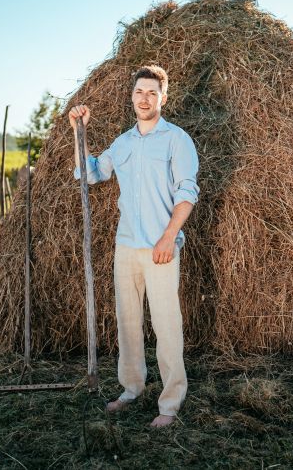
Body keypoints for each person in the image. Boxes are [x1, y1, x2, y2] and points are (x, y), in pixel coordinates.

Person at [70, 65, 200, 428]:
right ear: (132, 96)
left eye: (152, 93)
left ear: (163, 97)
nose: (145, 99)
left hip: (160, 248)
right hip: (125, 245)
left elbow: (187, 192)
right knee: (127, 321)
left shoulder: (177, 139)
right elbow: (91, 173)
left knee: (166, 324)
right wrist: (77, 131)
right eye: (139, 92)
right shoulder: (122, 143)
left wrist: (168, 236)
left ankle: (170, 404)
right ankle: (131, 388)